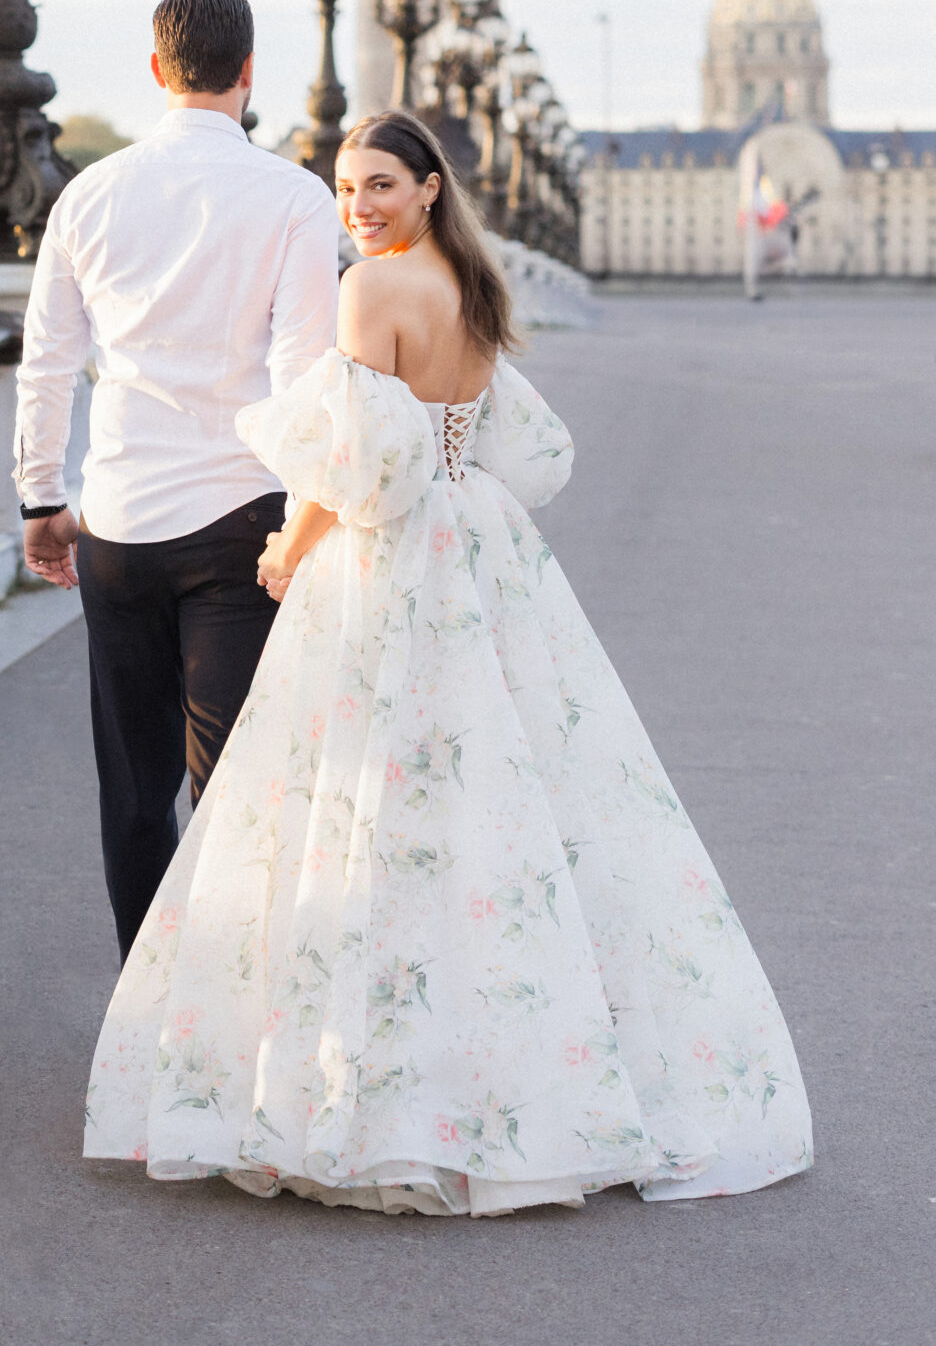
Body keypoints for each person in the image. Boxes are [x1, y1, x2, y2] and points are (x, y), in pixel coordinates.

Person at [84, 109, 813, 1215]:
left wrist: (291, 542)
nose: (358, 206)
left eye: (379, 183)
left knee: (369, 801)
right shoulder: (470, 285)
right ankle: (520, 1069)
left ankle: (375, 1084)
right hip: (478, 547)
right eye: (343, 188)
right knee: (504, 799)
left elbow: (360, 461)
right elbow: (502, 442)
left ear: (428, 186)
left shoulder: (371, 290)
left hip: (388, 563)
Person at [14, 0, 338, 960]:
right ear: (248, 74)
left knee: (135, 788)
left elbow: (49, 362)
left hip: (116, 521)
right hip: (241, 517)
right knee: (237, 786)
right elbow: (302, 372)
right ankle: (231, 1013)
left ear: (157, 70)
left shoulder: (90, 195)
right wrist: (315, 514)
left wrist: (41, 498)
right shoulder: (294, 197)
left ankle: (142, 1010)